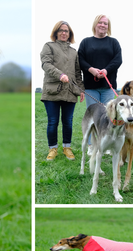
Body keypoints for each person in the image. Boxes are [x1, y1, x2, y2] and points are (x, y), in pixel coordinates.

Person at [40, 21, 85, 161]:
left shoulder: (74, 52)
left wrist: (81, 89)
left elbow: (78, 73)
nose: (64, 33)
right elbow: (46, 64)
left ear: (70, 34)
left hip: (70, 92)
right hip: (52, 91)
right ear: (56, 32)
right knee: (53, 121)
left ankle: (67, 148)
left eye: (66, 31)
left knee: (68, 121)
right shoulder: (49, 46)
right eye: (61, 30)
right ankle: (52, 149)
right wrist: (60, 75)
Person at [78, 14, 122, 153]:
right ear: (95, 24)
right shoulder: (86, 42)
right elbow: (80, 59)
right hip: (91, 86)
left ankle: (106, 143)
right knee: (93, 116)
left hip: (108, 86)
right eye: (100, 23)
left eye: (106, 23)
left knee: (108, 115)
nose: (103, 25)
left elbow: (118, 60)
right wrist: (91, 70)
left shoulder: (113, 42)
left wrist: (106, 70)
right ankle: (91, 145)